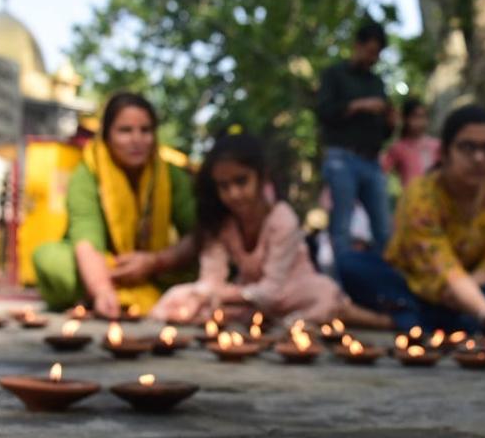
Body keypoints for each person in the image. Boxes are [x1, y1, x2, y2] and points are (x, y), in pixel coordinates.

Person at [151, 131, 389, 327]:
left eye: (241, 181)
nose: (233, 193)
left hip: (293, 292)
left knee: (325, 296)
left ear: (261, 177)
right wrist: (203, 295)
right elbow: (210, 280)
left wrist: (222, 294)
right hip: (249, 298)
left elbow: (272, 290)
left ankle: (385, 321)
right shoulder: (220, 222)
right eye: (224, 186)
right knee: (178, 298)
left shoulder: (281, 218)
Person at [339, 105, 485, 335]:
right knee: (351, 265)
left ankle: (405, 321)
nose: (479, 158)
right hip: (413, 282)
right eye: (468, 147)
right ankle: (454, 322)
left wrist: (471, 291)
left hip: (465, 290)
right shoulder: (421, 193)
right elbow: (442, 266)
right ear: (445, 152)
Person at [32, 93, 197, 318]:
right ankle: (107, 297)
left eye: (145, 130)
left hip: (155, 269)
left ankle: (111, 296)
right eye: (125, 131)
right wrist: (101, 289)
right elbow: (86, 241)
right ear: (107, 136)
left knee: (203, 264)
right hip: (103, 267)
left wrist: (154, 262)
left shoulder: (171, 175)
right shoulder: (88, 173)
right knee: (49, 259)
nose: (136, 139)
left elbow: (199, 233)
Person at [317, 20, 394, 269]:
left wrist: (391, 122)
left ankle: (380, 282)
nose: (373, 58)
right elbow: (324, 112)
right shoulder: (334, 75)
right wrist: (358, 105)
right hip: (342, 158)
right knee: (342, 225)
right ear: (358, 46)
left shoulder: (377, 82)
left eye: (378, 54)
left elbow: (383, 133)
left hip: (371, 161)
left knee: (383, 227)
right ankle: (342, 284)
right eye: (371, 51)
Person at [382, 97, 440, 189]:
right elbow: (382, 170)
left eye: (423, 116)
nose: (420, 122)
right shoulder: (399, 148)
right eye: (415, 116)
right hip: (412, 200)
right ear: (405, 119)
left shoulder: (437, 146)